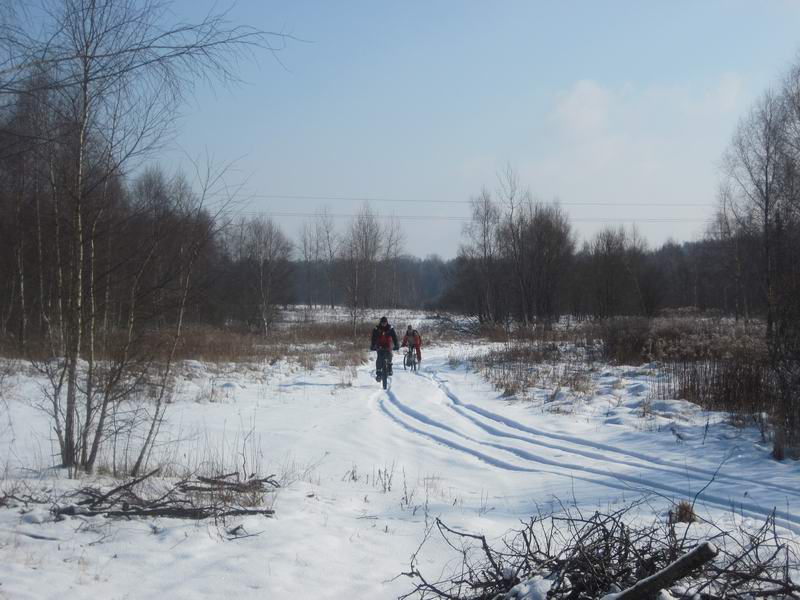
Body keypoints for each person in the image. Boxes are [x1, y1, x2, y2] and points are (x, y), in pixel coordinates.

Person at [370, 316, 399, 381]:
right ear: (381, 322)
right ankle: (379, 373)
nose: (384, 324)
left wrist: (396, 344)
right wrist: (372, 345)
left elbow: (394, 337)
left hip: (388, 344)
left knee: (389, 355)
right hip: (379, 345)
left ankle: (390, 367)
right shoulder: (376, 328)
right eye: (382, 323)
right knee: (379, 358)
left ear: (387, 322)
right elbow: (373, 338)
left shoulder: (390, 328)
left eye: (385, 323)